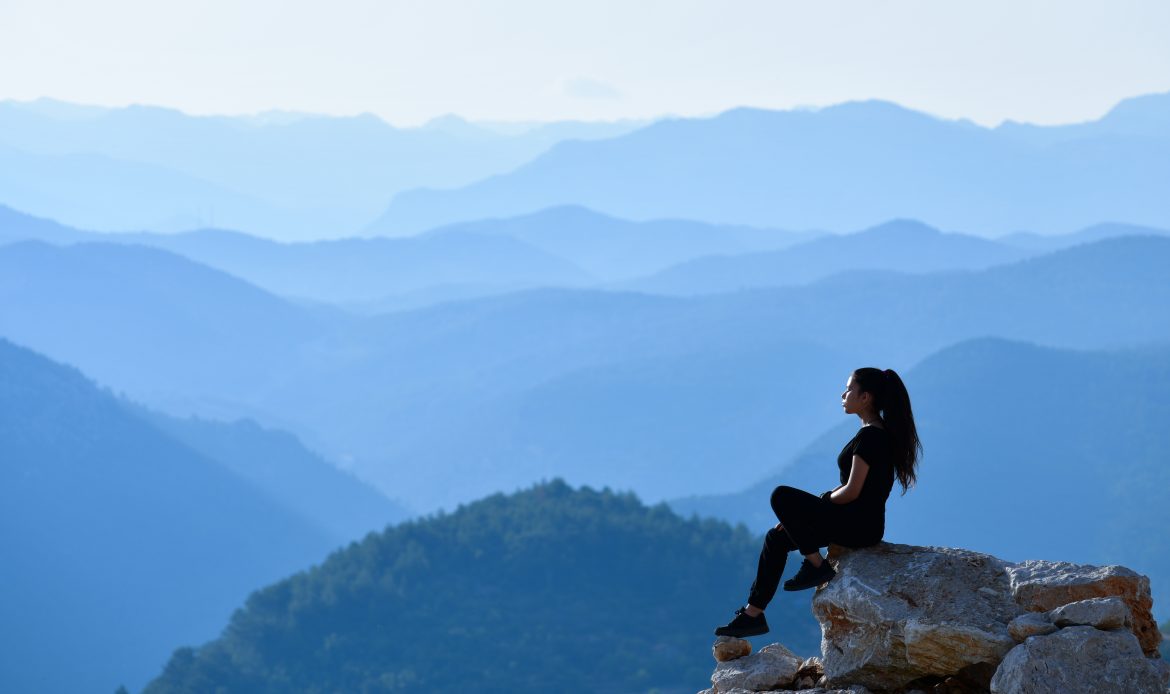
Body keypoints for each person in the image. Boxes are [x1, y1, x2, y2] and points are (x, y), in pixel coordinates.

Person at [714, 367, 922, 638]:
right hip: (856, 521)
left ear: (866, 397)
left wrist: (819, 503)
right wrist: (799, 516)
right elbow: (852, 487)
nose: (843, 394)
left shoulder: (871, 436)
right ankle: (753, 614)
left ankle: (815, 564)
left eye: (849, 389)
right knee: (775, 538)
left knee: (781, 495)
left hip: (857, 524)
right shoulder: (876, 434)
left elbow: (852, 491)